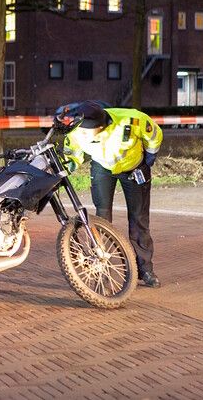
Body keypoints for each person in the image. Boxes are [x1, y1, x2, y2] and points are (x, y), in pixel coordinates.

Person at [60, 101, 163, 288]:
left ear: (100, 127)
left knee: (139, 219)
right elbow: (72, 155)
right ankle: (100, 267)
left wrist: (149, 157)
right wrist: (65, 168)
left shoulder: (132, 120)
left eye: (86, 132)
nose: (81, 134)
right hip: (102, 168)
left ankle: (145, 270)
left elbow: (154, 134)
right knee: (101, 218)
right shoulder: (78, 129)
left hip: (134, 168)